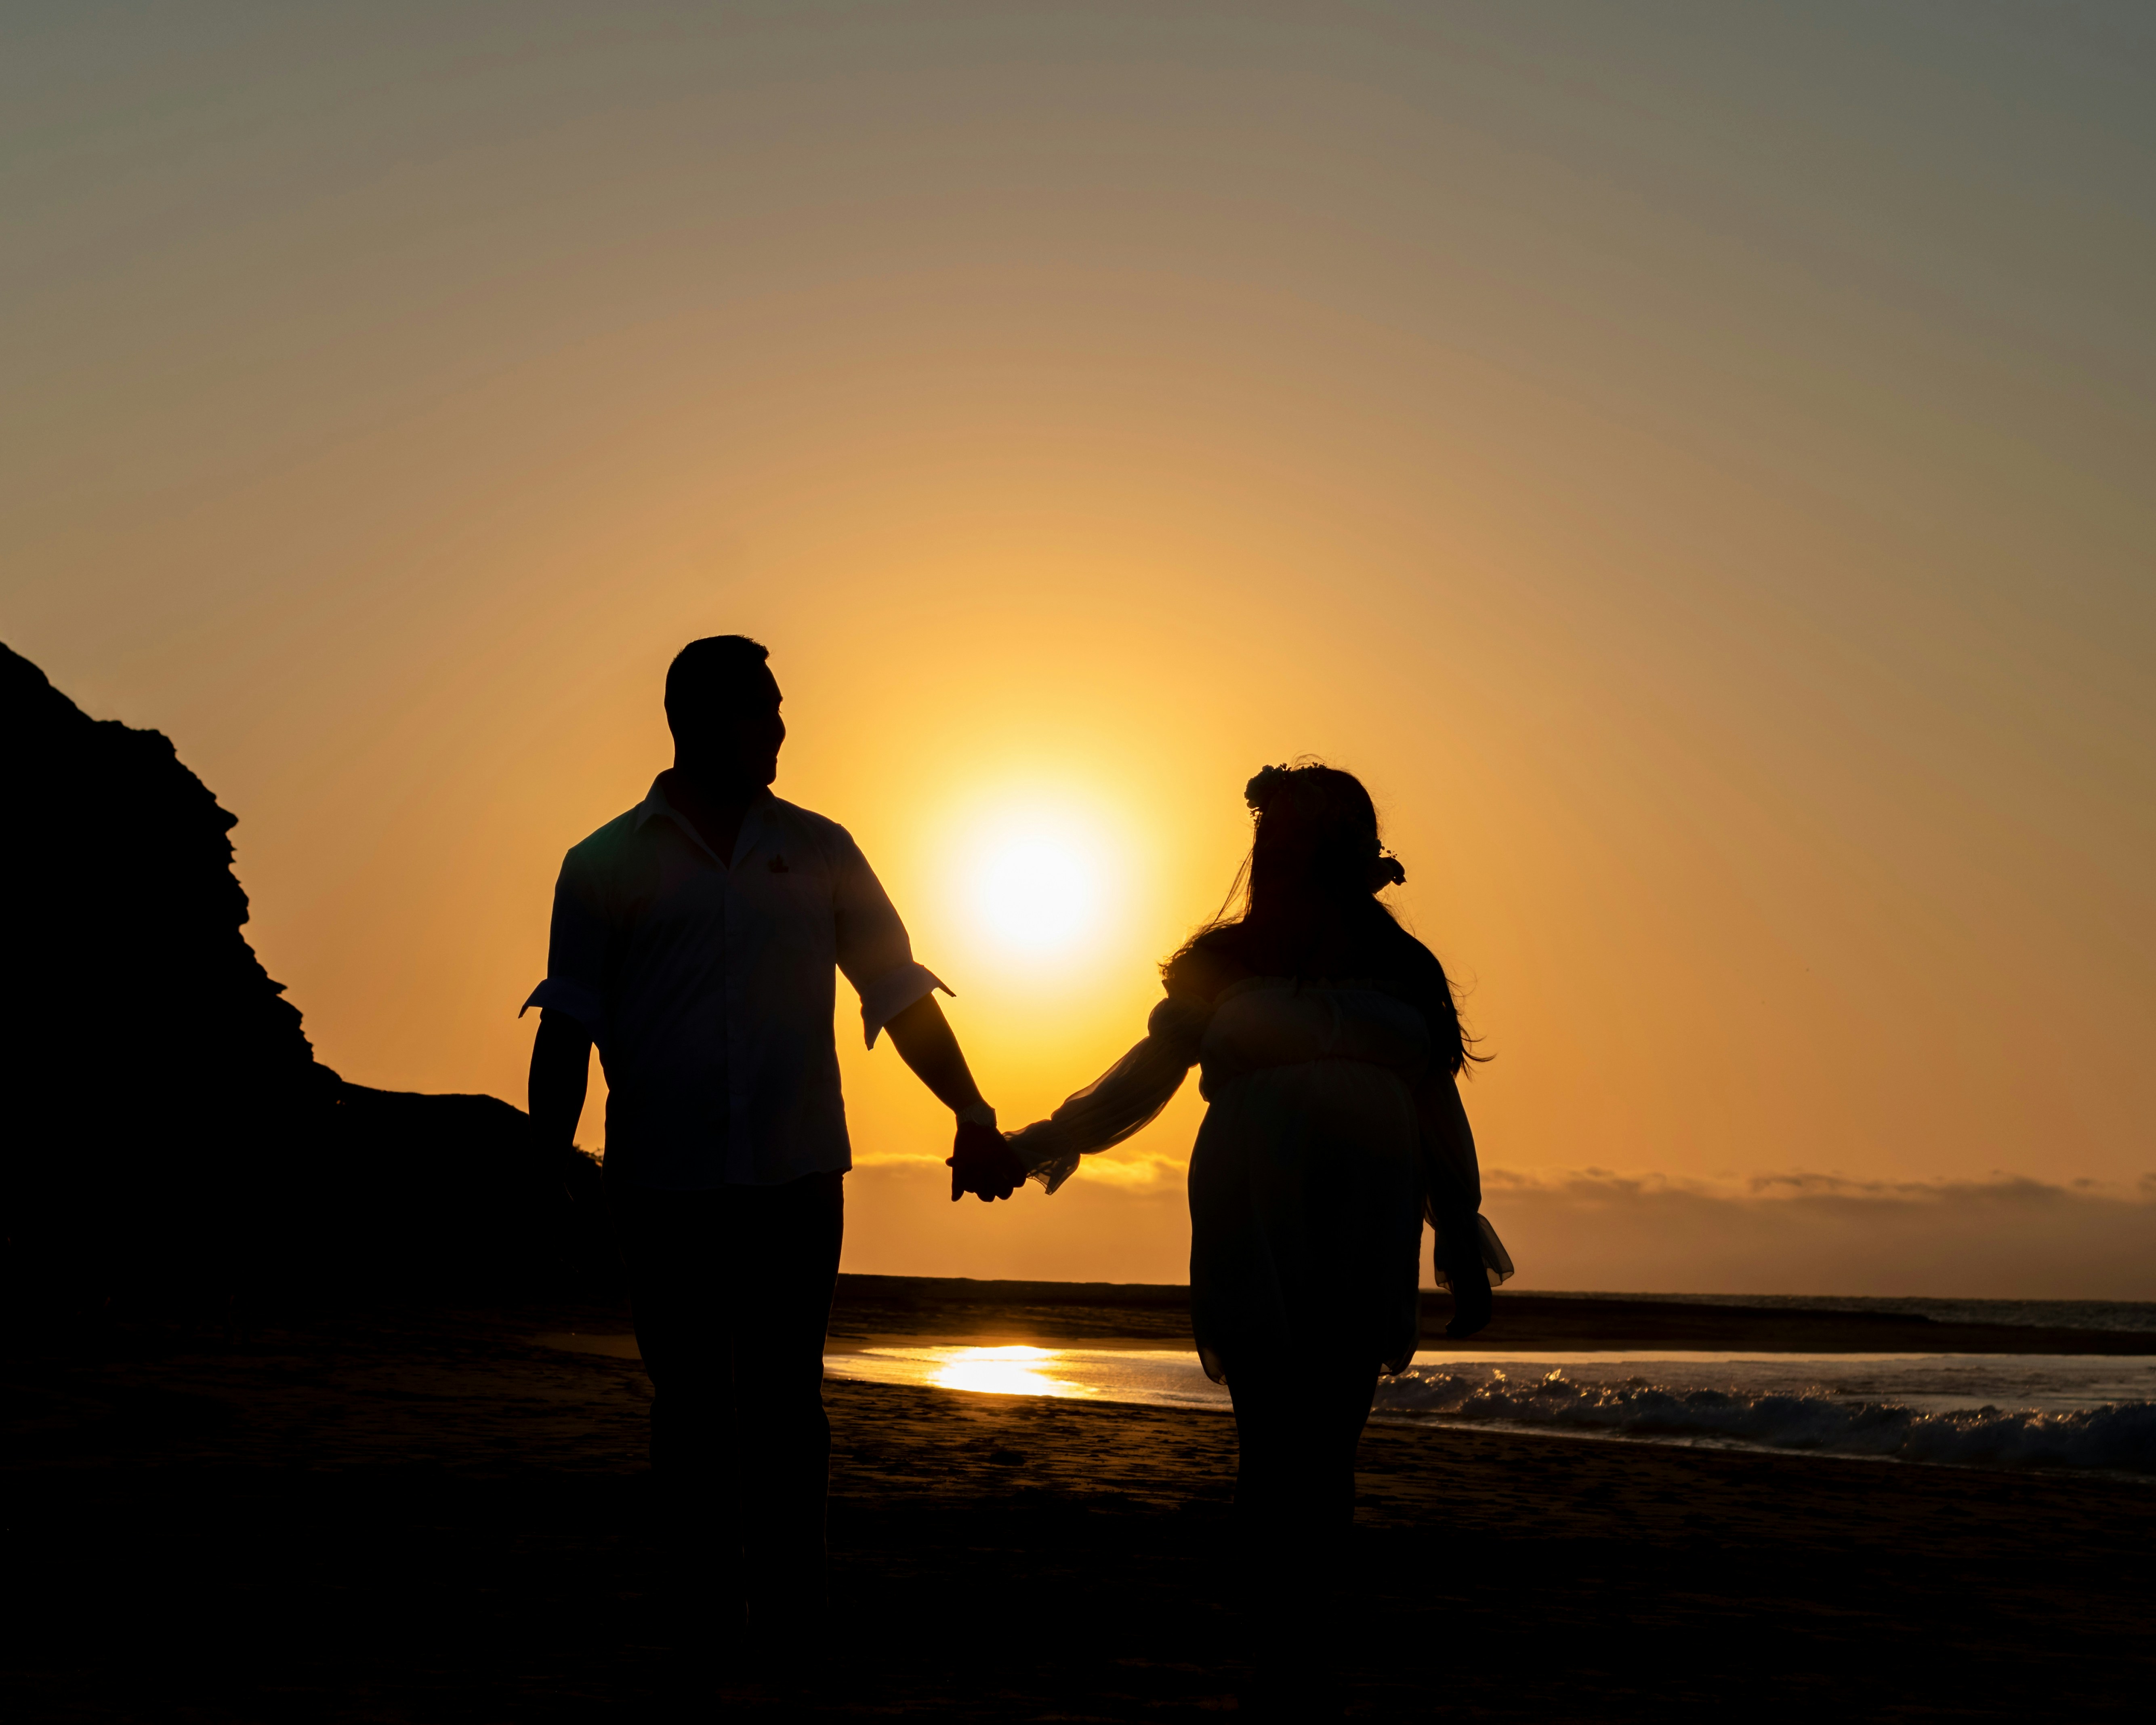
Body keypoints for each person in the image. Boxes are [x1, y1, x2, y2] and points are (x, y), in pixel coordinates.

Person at [522, 635, 1019, 1663]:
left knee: (789, 1401)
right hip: (661, 1178)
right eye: (761, 709)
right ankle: (698, 1618)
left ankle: (795, 1621)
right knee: (692, 1402)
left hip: (796, 1171)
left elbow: (895, 987)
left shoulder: (823, 847)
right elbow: (567, 1020)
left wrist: (971, 1108)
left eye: (780, 707)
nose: (781, 726)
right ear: (699, 719)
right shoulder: (603, 862)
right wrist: (542, 1161)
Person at [978, 761, 1511, 1710]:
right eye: (1264, 837)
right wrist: (1042, 1141)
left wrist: (1458, 1222)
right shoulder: (1223, 960)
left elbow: (1432, 1100)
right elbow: (1144, 1073)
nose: (1267, 852)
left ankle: (1306, 1642)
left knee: (1331, 1439)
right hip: (1250, 1210)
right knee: (1271, 1438)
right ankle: (1277, 1649)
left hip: (1368, 1216)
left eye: (1288, 837)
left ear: (1342, 848)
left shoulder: (1404, 968)